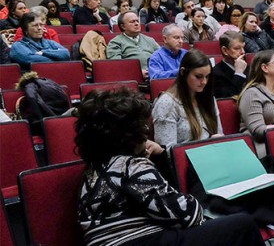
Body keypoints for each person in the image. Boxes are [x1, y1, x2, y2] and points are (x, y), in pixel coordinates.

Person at [76, 88, 263, 246]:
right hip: (140, 241)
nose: (147, 130)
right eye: (142, 125)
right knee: (242, 224)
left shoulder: (93, 170)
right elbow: (189, 215)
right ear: (131, 133)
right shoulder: (132, 167)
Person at [152, 49, 223, 150]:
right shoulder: (167, 103)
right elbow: (168, 152)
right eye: (198, 77)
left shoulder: (208, 97)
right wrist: (207, 146)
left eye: (207, 77)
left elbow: (219, 133)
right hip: (186, 162)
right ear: (182, 72)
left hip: (213, 155)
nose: (204, 82)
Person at [106, 11, 160, 78]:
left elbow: (162, 57)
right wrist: (137, 72)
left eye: (137, 21)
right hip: (131, 77)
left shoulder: (150, 40)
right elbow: (117, 64)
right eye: (132, 22)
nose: (136, 23)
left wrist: (155, 70)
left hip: (156, 74)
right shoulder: (115, 42)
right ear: (123, 26)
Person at [212, 31, 248, 98]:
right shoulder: (216, 73)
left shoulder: (247, 66)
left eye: (243, 47)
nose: (243, 52)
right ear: (225, 50)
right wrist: (239, 73)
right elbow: (227, 100)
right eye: (237, 48)